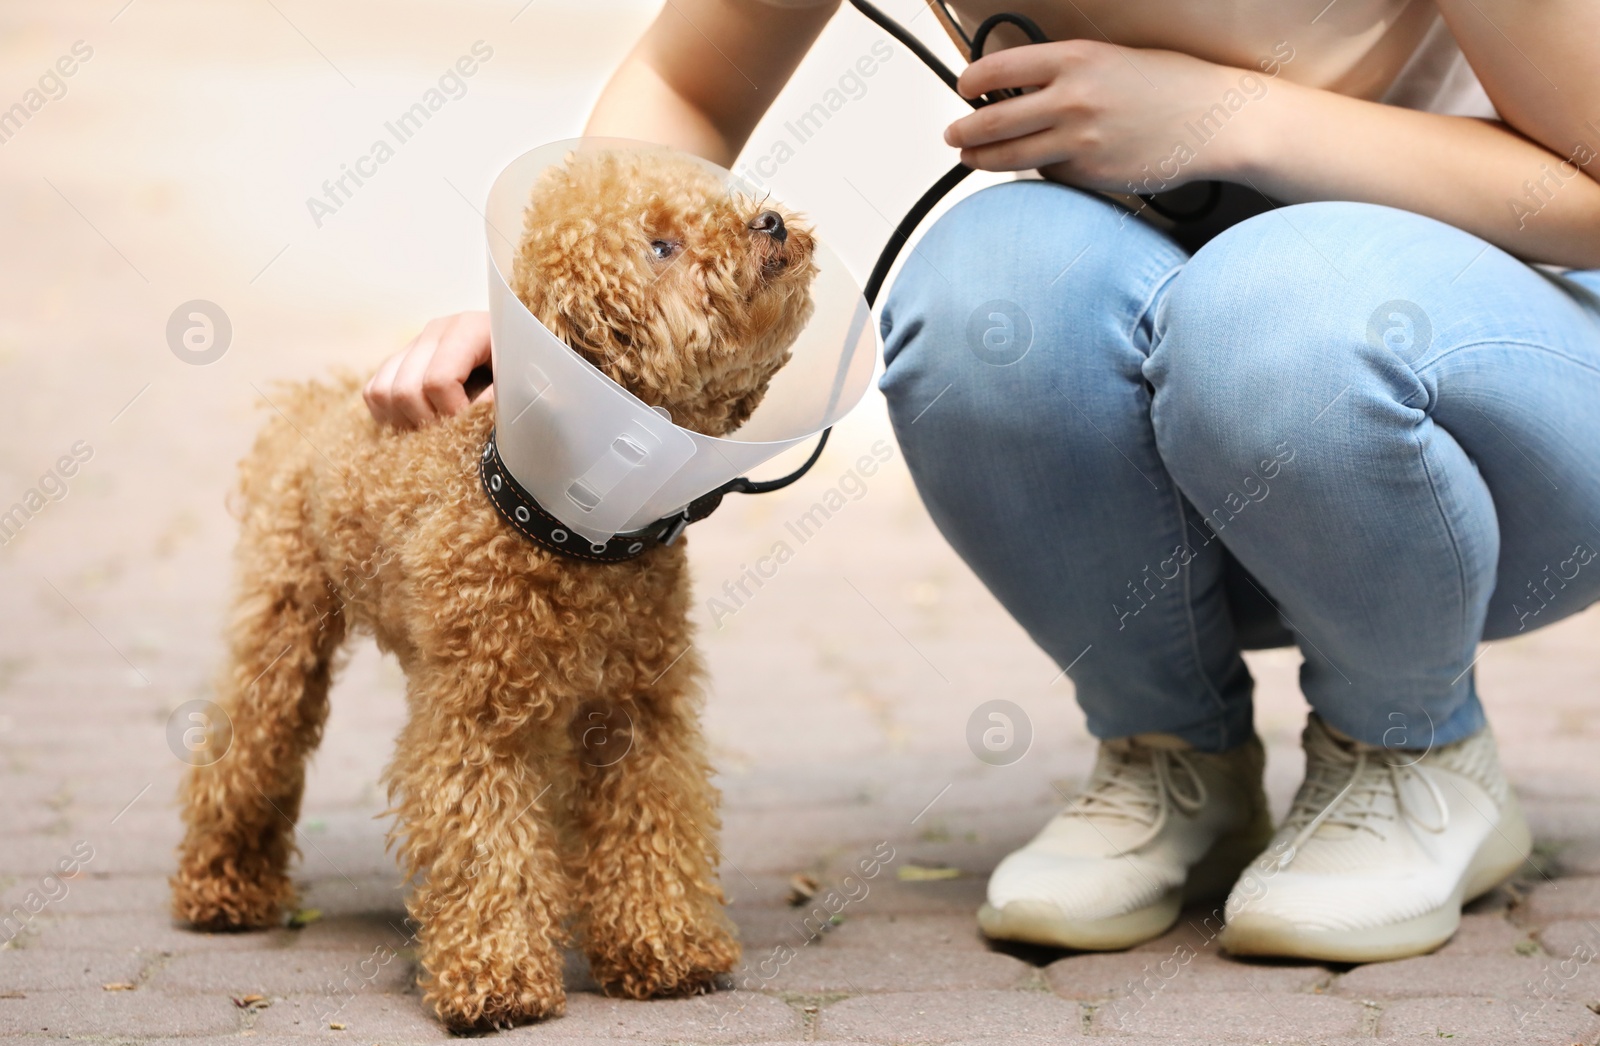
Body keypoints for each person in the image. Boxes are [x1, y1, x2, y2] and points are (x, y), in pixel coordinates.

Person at [364, 0, 1600, 963]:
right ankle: (1171, 750)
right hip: (1219, 385)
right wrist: (538, 330)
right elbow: (686, 84)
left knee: (1267, 308)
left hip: (1509, 387)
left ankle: (1412, 751)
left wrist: (1229, 116)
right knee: (980, 296)